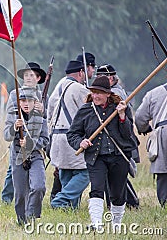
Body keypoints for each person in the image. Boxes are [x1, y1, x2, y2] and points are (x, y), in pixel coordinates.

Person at [67, 75, 138, 231]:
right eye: (93, 92)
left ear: (108, 94)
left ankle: (116, 225)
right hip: (96, 157)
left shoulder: (121, 108)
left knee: (117, 194)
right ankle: (97, 224)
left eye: (99, 92)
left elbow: (128, 135)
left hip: (119, 156)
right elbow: (72, 134)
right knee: (97, 189)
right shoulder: (86, 110)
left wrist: (122, 116)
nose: (95, 96)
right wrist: (81, 142)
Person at [48, 52, 96, 201]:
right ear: (81, 72)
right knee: (85, 172)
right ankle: (61, 200)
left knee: (66, 173)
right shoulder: (80, 89)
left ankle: (70, 208)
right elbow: (91, 113)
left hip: (56, 138)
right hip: (72, 138)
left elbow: (50, 109)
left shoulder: (59, 86)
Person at [1, 62, 46, 204]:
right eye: (26, 75)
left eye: (31, 75)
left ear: (38, 78)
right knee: (13, 171)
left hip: (35, 140)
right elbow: (11, 114)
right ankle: (7, 198)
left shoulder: (43, 96)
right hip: (18, 139)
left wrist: (42, 110)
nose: (28, 78)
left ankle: (31, 205)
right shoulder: (15, 93)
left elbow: (46, 119)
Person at [96, 64, 140, 209]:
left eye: (101, 77)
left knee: (118, 179)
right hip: (113, 139)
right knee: (116, 178)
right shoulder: (112, 91)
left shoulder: (115, 94)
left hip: (119, 139)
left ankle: (130, 203)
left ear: (110, 78)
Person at [4, 86, 49, 225]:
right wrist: (15, 128)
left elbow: (45, 139)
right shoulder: (14, 116)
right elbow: (6, 136)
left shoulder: (40, 117)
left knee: (38, 186)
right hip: (18, 155)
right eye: (22, 100)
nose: (25, 103)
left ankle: (32, 216)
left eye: (28, 100)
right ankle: (22, 221)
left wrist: (30, 144)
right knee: (20, 194)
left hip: (35, 155)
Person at [135, 82, 167, 207]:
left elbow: (140, 118)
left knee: (163, 172)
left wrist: (144, 129)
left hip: (162, 133)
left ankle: (165, 203)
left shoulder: (154, 93)